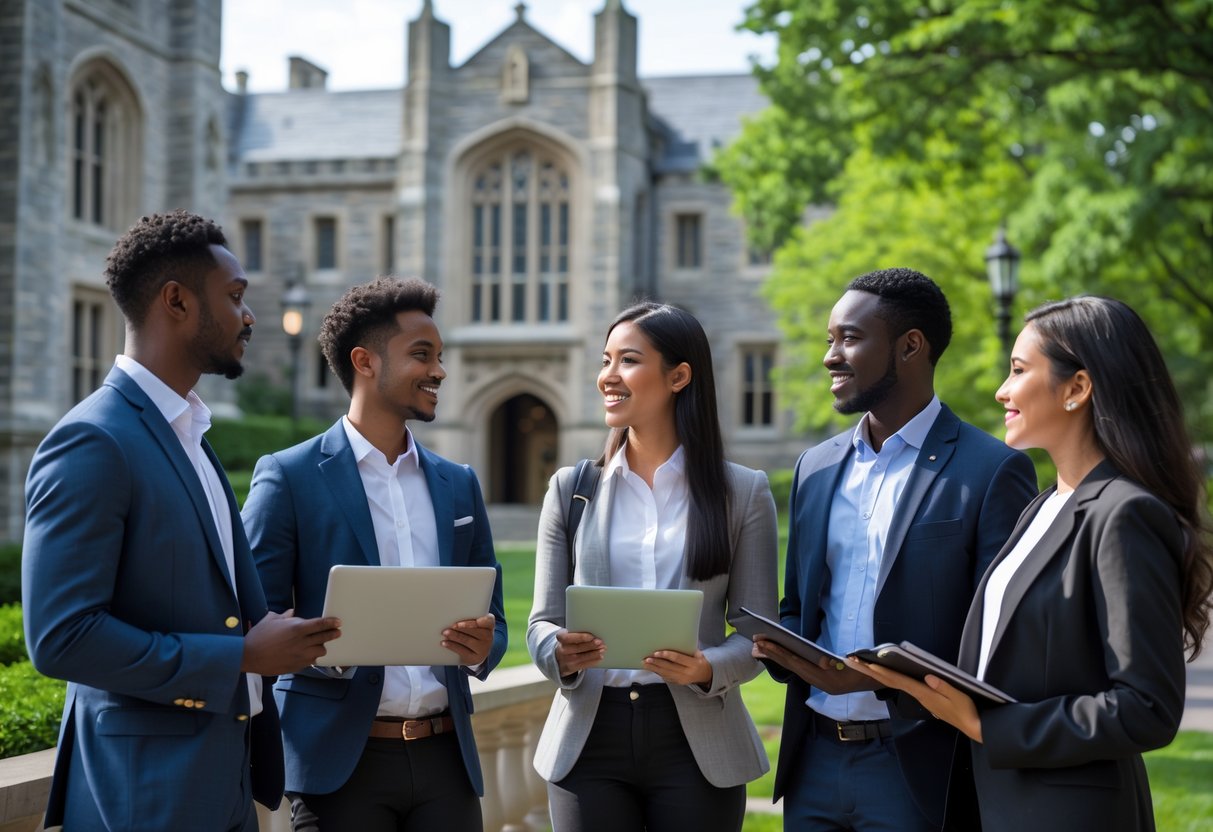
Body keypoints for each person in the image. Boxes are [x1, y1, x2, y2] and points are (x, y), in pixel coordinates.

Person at [21, 210, 342, 832]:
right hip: (141, 794)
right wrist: (239, 657)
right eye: (236, 297)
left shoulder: (191, 435)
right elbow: (61, 637)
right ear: (176, 301)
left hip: (225, 780)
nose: (250, 317)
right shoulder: (93, 440)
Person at [851, 295, 1213, 832]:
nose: (1002, 389)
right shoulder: (1044, 505)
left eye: (1019, 371)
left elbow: (1147, 708)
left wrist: (991, 725)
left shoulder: (1125, 514)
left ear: (1077, 388)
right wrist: (920, 685)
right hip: (996, 805)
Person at [753, 267, 1038, 831]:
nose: (831, 356)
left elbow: (998, 639)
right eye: (830, 340)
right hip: (812, 763)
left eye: (850, 338)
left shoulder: (992, 471)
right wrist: (783, 649)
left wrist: (877, 680)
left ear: (911, 346)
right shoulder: (816, 467)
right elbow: (799, 607)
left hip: (917, 767)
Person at [242, 276, 507, 831]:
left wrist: (482, 646)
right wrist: (318, 648)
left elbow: (497, 621)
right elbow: (252, 621)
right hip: (338, 766)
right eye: (421, 355)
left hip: (446, 763)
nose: (439, 371)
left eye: (440, 356)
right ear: (364, 361)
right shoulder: (287, 477)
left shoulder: (459, 484)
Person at [528, 301, 779, 832]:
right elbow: (541, 623)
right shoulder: (570, 490)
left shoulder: (743, 492)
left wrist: (708, 667)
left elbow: (759, 633)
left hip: (697, 740)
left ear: (679, 376)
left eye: (628, 361)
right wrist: (561, 652)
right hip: (588, 737)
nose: (607, 377)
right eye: (605, 360)